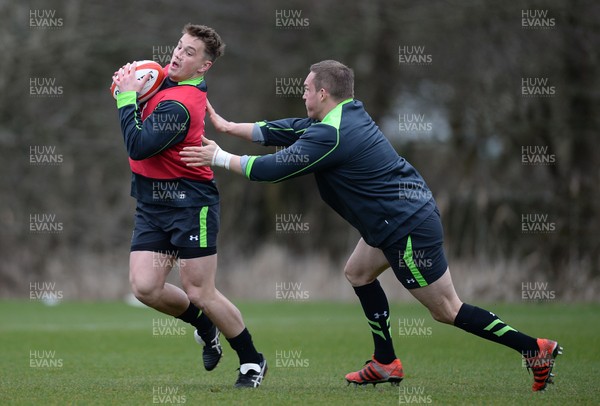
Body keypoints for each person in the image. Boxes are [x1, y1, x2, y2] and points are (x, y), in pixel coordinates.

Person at [179, 59, 561, 391]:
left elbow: (270, 170)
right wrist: (229, 126)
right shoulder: (346, 113)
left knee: (447, 309)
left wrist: (219, 156)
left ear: (324, 92)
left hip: (406, 227)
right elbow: (290, 128)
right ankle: (385, 362)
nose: (303, 95)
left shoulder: (331, 133)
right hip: (396, 218)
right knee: (358, 273)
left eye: (307, 89)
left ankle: (534, 350)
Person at [111, 24, 267, 388]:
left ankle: (251, 360)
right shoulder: (168, 78)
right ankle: (204, 325)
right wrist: (125, 81)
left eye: (190, 53)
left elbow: (137, 145)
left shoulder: (180, 106)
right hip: (151, 200)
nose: (178, 55)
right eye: (180, 47)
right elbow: (138, 84)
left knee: (200, 291)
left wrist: (124, 99)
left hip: (188, 202)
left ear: (204, 67)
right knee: (145, 287)